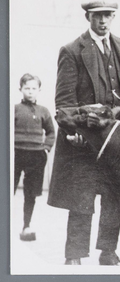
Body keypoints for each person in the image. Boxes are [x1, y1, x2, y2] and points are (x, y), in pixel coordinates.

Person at [47, 0, 120, 266]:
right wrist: (75, 130)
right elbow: (64, 101)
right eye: (97, 16)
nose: (103, 21)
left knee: (114, 194)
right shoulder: (72, 50)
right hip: (84, 141)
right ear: (88, 18)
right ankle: (74, 255)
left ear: (113, 16)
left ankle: (108, 253)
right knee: (81, 197)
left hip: (118, 141)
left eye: (108, 15)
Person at [14, 73, 55, 241]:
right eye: (27, 88)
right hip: (16, 154)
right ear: (20, 89)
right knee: (8, 189)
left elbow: (51, 132)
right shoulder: (14, 109)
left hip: (35, 156)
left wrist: (45, 148)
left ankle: (26, 226)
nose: (30, 92)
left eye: (33, 88)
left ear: (39, 90)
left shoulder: (43, 111)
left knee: (30, 193)